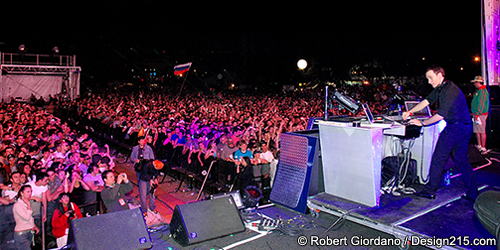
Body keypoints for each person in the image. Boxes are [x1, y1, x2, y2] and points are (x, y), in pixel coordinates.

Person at [403, 66, 478, 200]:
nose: (429, 81)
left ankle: (430, 190)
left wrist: (422, 123)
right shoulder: (441, 88)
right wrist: (410, 111)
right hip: (463, 127)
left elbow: (440, 115)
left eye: (430, 78)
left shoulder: (449, 90)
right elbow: (426, 102)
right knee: (461, 160)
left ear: (440, 75)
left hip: (455, 128)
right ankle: (473, 192)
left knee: (438, 158)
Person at [130, 137, 157, 212]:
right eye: (141, 141)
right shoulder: (135, 148)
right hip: (139, 169)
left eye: (144, 141)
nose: (142, 142)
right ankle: (144, 209)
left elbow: (152, 158)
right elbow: (131, 158)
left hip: (147, 170)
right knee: (142, 190)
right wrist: (136, 160)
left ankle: (152, 207)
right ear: (138, 141)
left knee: (150, 191)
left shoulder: (148, 148)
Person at [13, 185, 40, 250]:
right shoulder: (18, 205)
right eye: (28, 192)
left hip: (28, 232)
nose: (30, 193)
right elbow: (26, 217)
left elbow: (29, 219)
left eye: (31, 191)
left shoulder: (25, 203)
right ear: (22, 193)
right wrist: (29, 206)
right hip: (21, 235)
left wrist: (34, 226)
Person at [470, 76, 490, 154]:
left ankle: (483, 148)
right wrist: (474, 113)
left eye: (475, 82)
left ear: (478, 82)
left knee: (481, 131)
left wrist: (477, 113)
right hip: (476, 114)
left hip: (480, 115)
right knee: (477, 131)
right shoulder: (478, 91)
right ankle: (479, 145)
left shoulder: (483, 91)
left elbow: (481, 104)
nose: (474, 84)